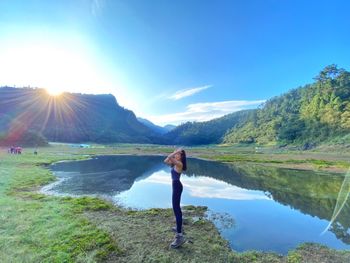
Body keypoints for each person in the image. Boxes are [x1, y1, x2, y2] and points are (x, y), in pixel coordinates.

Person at [164, 148, 187, 248]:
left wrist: (176, 152)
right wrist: (176, 153)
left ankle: (179, 236)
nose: (177, 155)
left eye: (179, 154)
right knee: (176, 208)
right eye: (177, 153)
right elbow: (166, 161)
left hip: (177, 186)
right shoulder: (175, 163)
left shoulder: (179, 164)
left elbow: (169, 157)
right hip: (176, 186)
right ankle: (179, 227)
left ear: (181, 156)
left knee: (176, 209)